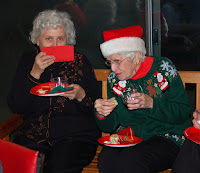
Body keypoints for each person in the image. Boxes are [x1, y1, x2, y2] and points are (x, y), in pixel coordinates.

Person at [7, 9, 101, 173]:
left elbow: (97, 104)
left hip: (74, 135)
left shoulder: (80, 61)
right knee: (16, 165)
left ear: (68, 40)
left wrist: (81, 95)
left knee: (58, 168)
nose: (56, 45)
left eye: (60, 39)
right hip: (34, 134)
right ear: (37, 41)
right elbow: (17, 105)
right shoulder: (28, 60)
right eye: (49, 39)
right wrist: (35, 72)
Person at [94, 25, 192, 173]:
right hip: (131, 136)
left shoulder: (163, 68)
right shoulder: (115, 79)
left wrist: (152, 104)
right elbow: (109, 126)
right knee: (106, 160)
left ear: (137, 57)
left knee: (131, 161)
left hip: (168, 137)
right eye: (109, 62)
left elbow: (183, 111)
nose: (112, 69)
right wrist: (102, 114)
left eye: (117, 61)